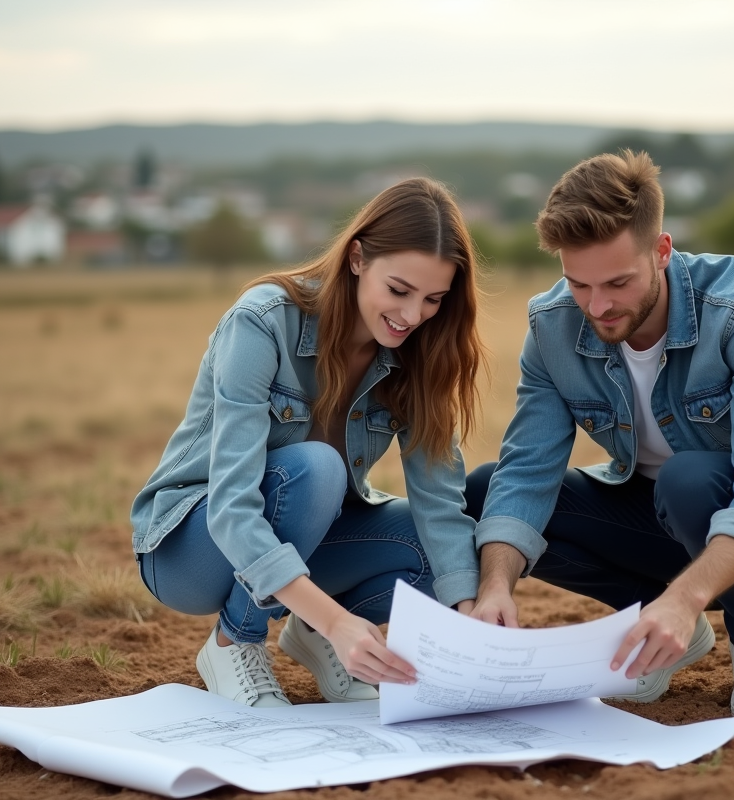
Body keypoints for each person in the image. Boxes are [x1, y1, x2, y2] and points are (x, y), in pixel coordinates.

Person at [464, 151, 734, 718]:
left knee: (690, 478)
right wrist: (497, 585)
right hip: (659, 521)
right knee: (486, 496)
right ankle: (662, 623)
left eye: (618, 282)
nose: (597, 305)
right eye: (579, 283)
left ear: (662, 250)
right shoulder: (552, 324)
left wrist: (688, 594)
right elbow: (527, 471)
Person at [131, 177, 486, 708]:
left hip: (304, 543)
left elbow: (439, 501)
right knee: (317, 471)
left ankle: (315, 637)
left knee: (446, 553)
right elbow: (231, 509)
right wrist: (341, 619)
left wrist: (468, 624)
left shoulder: (420, 352)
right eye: (399, 290)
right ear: (358, 258)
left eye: (434, 299)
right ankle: (234, 642)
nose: (413, 316)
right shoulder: (262, 321)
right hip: (192, 547)